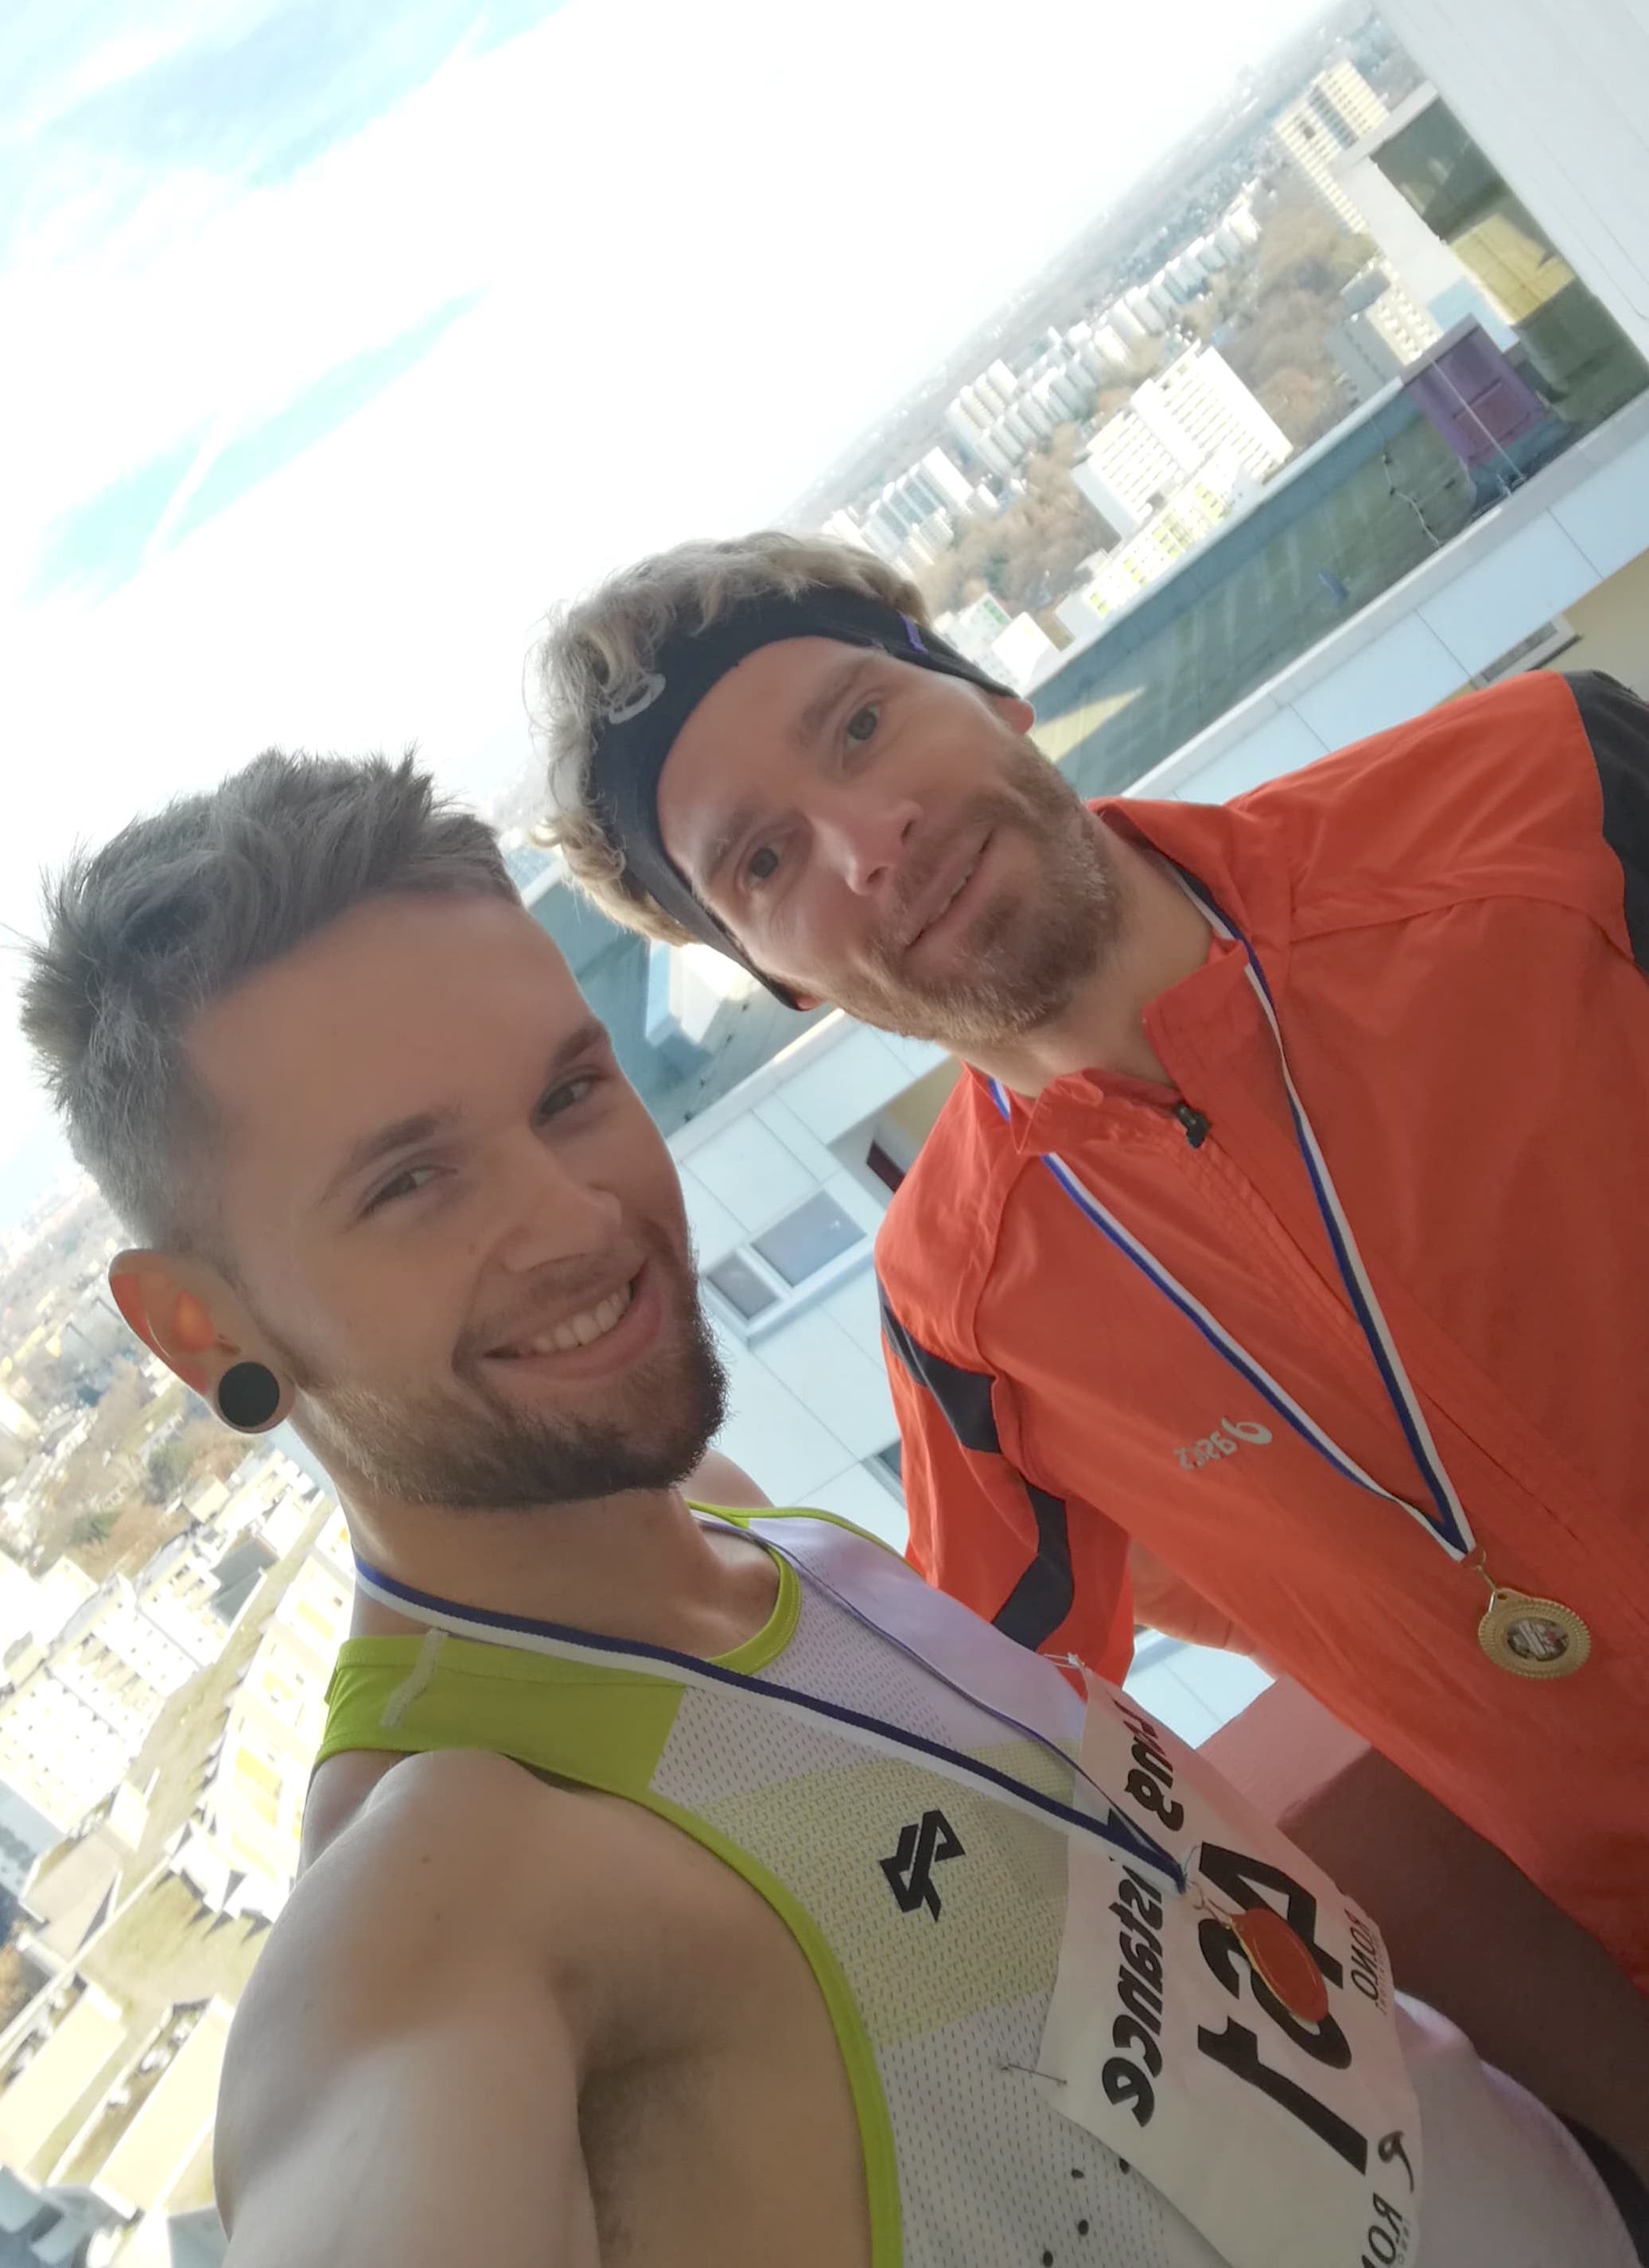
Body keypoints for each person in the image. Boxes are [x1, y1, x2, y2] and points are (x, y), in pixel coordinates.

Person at [19, 751, 1647, 2266]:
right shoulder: (459, 1876)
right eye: (408, 1181)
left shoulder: (751, 1531)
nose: (575, 1218)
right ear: (203, 1330)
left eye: (570, 1090)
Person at [532, 530, 1649, 1996]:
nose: (869, 845)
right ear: (776, 977)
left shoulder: (1537, 794)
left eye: (860, 725)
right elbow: (986, 1736)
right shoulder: (956, 1312)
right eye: (763, 861)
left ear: (989, 692)